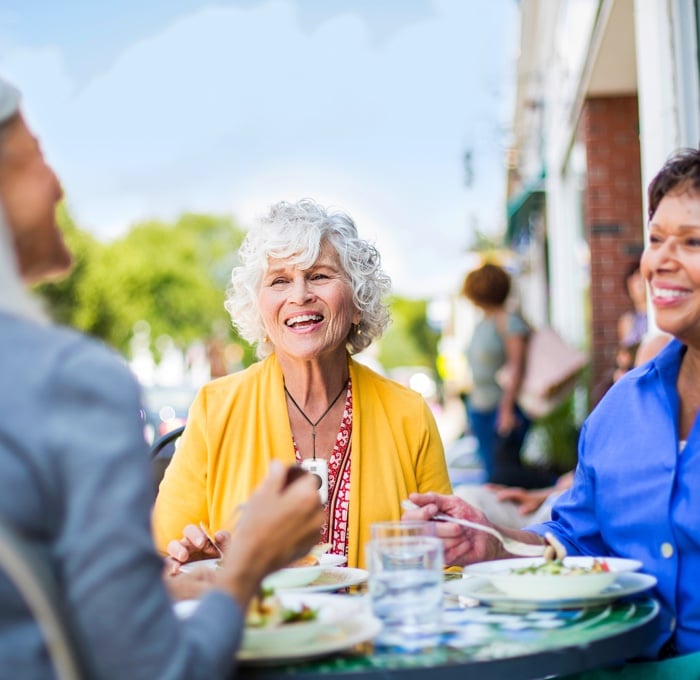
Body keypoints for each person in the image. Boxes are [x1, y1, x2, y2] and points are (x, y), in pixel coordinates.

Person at [0, 74, 325, 678]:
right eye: (38, 159)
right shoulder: (69, 379)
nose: (57, 184)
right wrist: (247, 564)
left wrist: (176, 586)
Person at [404, 148, 700, 669]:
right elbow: (574, 539)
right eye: (656, 239)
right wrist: (490, 543)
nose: (662, 261)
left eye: (693, 242)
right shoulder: (621, 409)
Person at [153, 198, 453, 569]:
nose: (299, 296)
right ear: (259, 309)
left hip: (377, 624)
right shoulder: (215, 408)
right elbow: (162, 557)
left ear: (358, 301)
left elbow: (447, 563)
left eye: (319, 276)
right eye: (280, 280)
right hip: (260, 624)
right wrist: (197, 567)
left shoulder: (409, 414)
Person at [460, 262, 547, 487]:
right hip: (480, 407)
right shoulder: (484, 323)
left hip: (501, 411)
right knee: (491, 471)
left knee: (501, 475)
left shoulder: (509, 321)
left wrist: (506, 410)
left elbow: (517, 367)